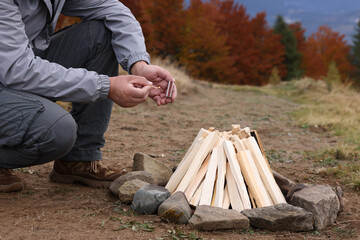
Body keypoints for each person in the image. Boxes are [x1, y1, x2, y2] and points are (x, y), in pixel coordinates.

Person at [0, 0, 177, 192]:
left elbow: (114, 10)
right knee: (57, 130)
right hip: (13, 70)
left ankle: (78, 160)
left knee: (102, 34)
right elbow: (17, 69)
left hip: (14, 71)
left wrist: (139, 65)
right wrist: (105, 86)